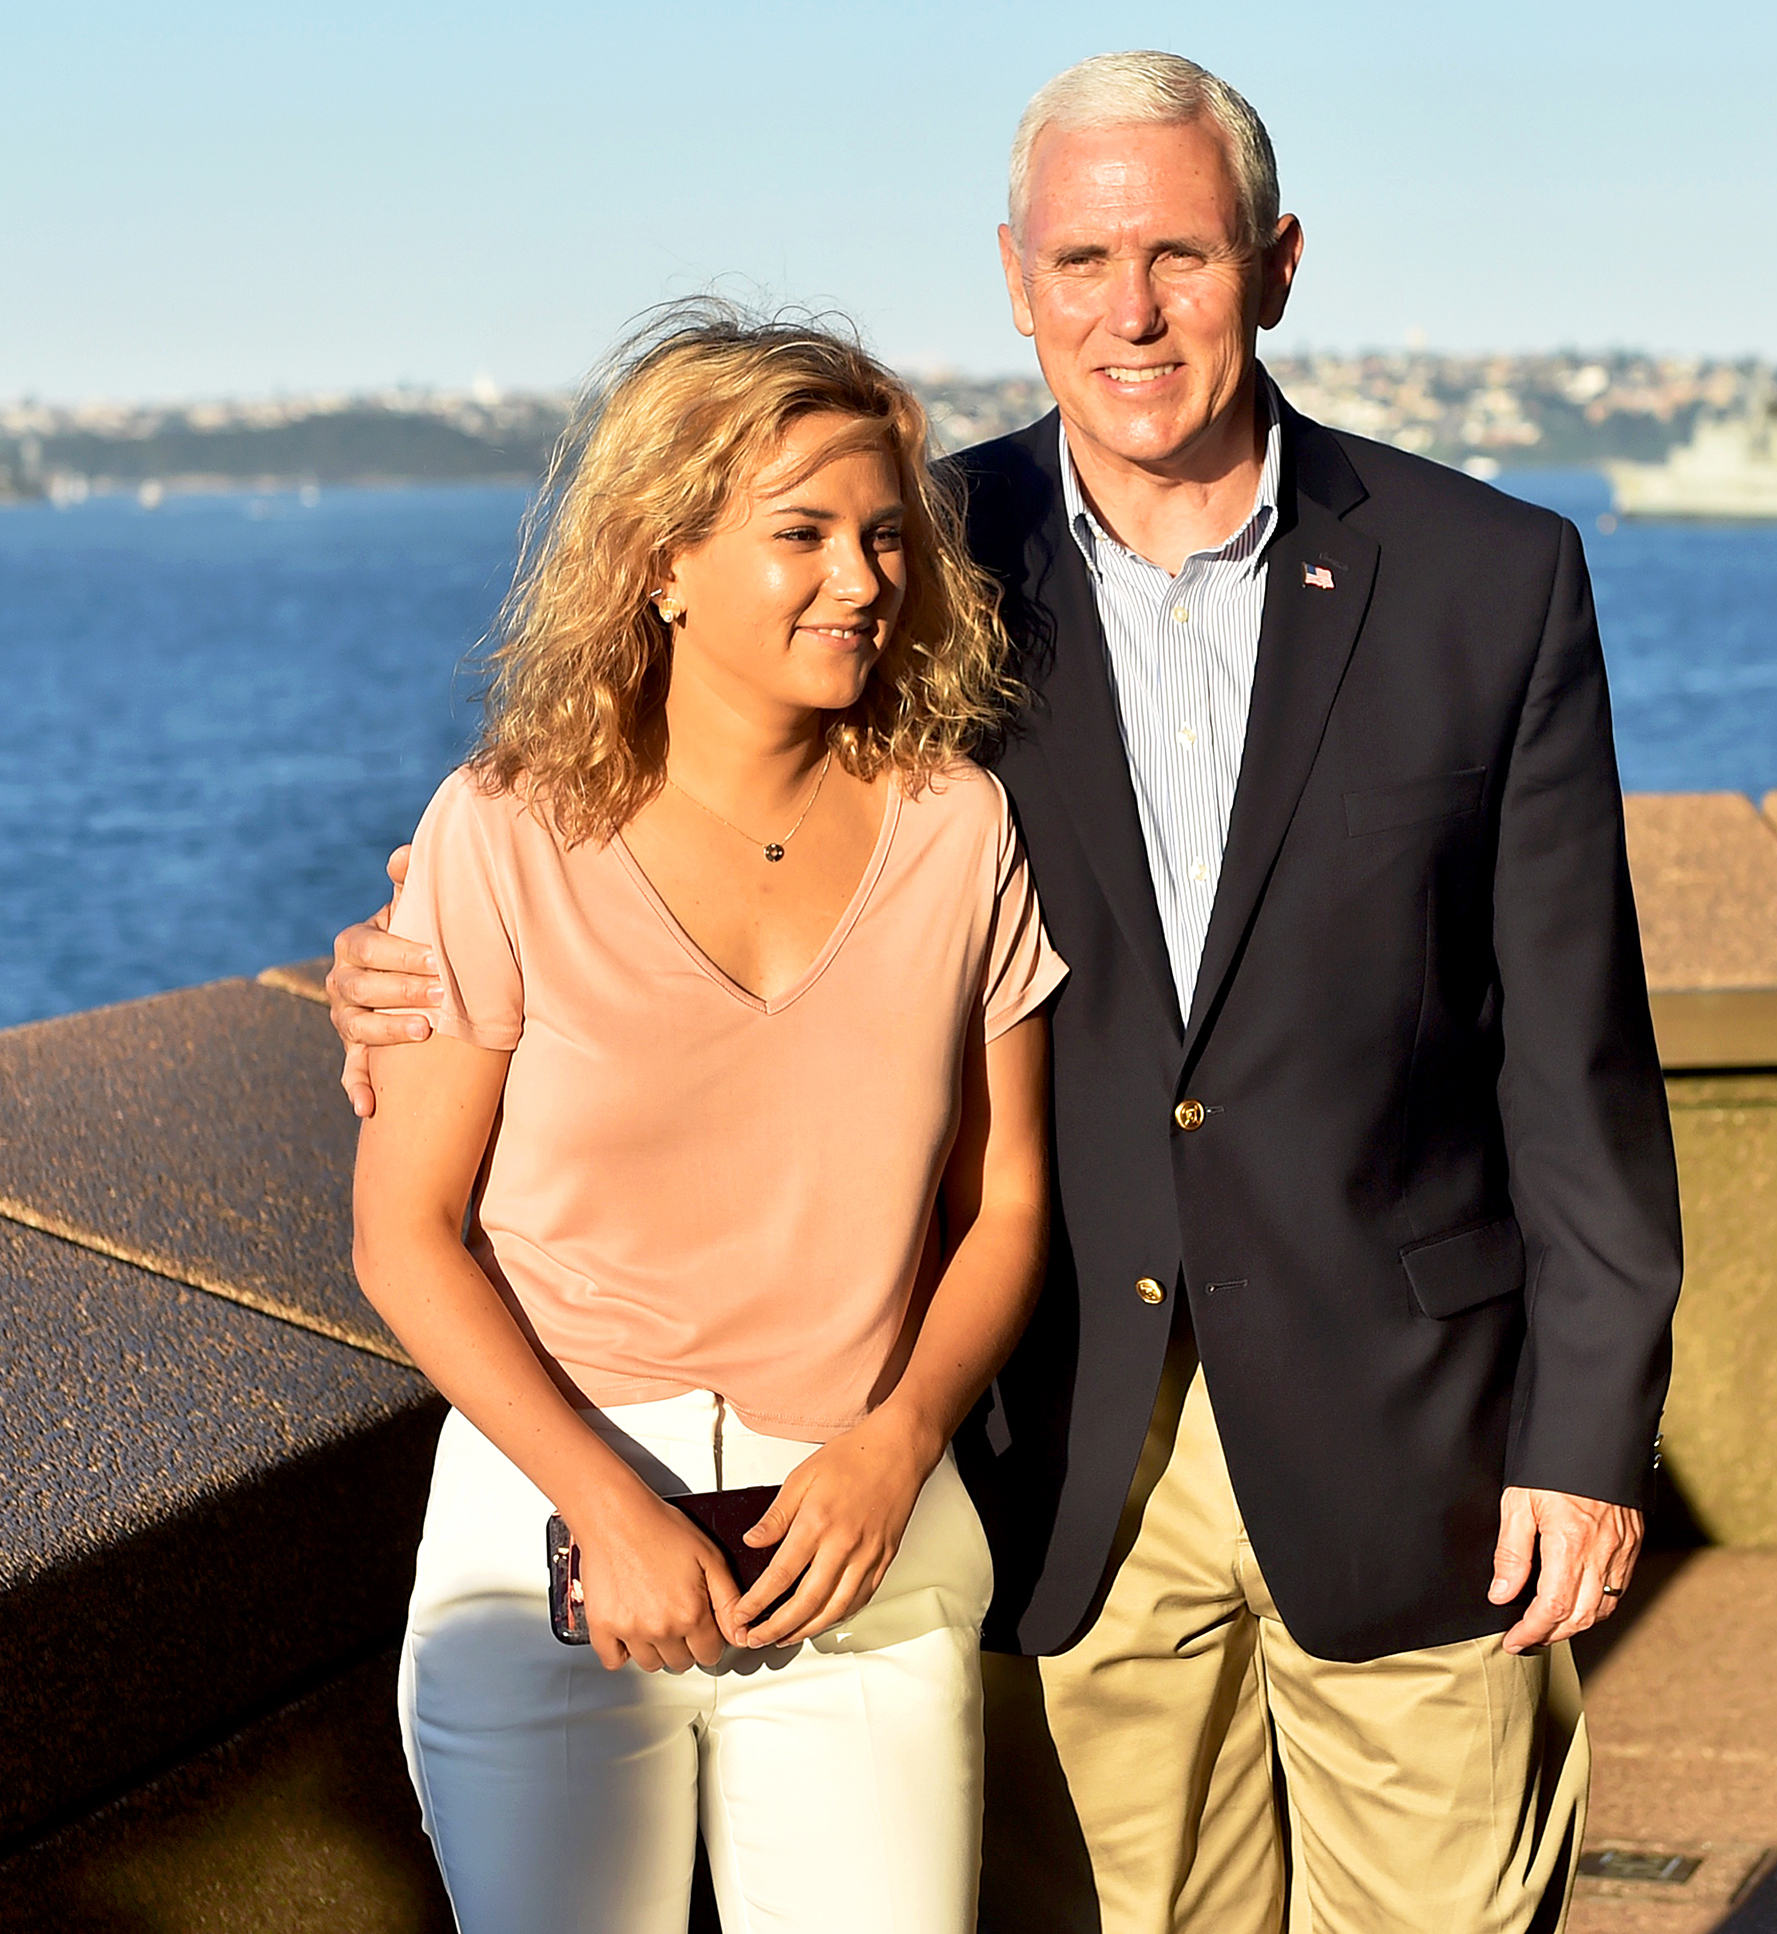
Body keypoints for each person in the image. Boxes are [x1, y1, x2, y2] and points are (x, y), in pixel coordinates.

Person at [333, 52, 1682, 1934]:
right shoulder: (920, 561)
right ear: (1014, 274)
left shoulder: (1490, 576)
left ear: (1278, 264)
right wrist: (398, 956)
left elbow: (1575, 1047)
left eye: (1181, 257)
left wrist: (1587, 1436)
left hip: (1419, 1428)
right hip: (1067, 1443)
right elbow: (637, 816)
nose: (1128, 313)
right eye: (1081, 259)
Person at [347, 310, 1065, 1934]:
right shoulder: (503, 832)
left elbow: (1006, 1202)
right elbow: (402, 1228)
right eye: (801, 534)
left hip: (863, 1542)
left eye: (885, 537)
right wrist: (607, 1506)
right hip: (556, 1557)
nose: (865, 578)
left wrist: (897, 1447)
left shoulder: (960, 828)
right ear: (660, 560)